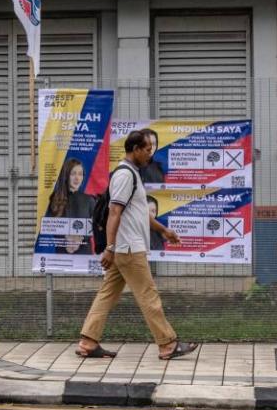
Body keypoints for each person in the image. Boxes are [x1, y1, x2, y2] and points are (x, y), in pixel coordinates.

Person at [75, 130, 198, 360]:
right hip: (129, 248)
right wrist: (110, 248)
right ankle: (168, 345)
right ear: (136, 149)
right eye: (147, 150)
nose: (150, 155)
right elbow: (114, 211)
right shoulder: (125, 175)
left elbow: (139, 212)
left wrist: (164, 231)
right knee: (148, 295)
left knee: (107, 294)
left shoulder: (132, 174)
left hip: (124, 248)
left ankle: (88, 342)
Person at [47, 158, 96, 254]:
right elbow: (49, 225)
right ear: (66, 175)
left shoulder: (90, 200)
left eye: (80, 174)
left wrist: (80, 239)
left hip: (84, 254)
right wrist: (67, 239)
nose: (77, 178)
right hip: (62, 254)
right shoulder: (54, 198)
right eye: (73, 174)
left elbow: (96, 226)